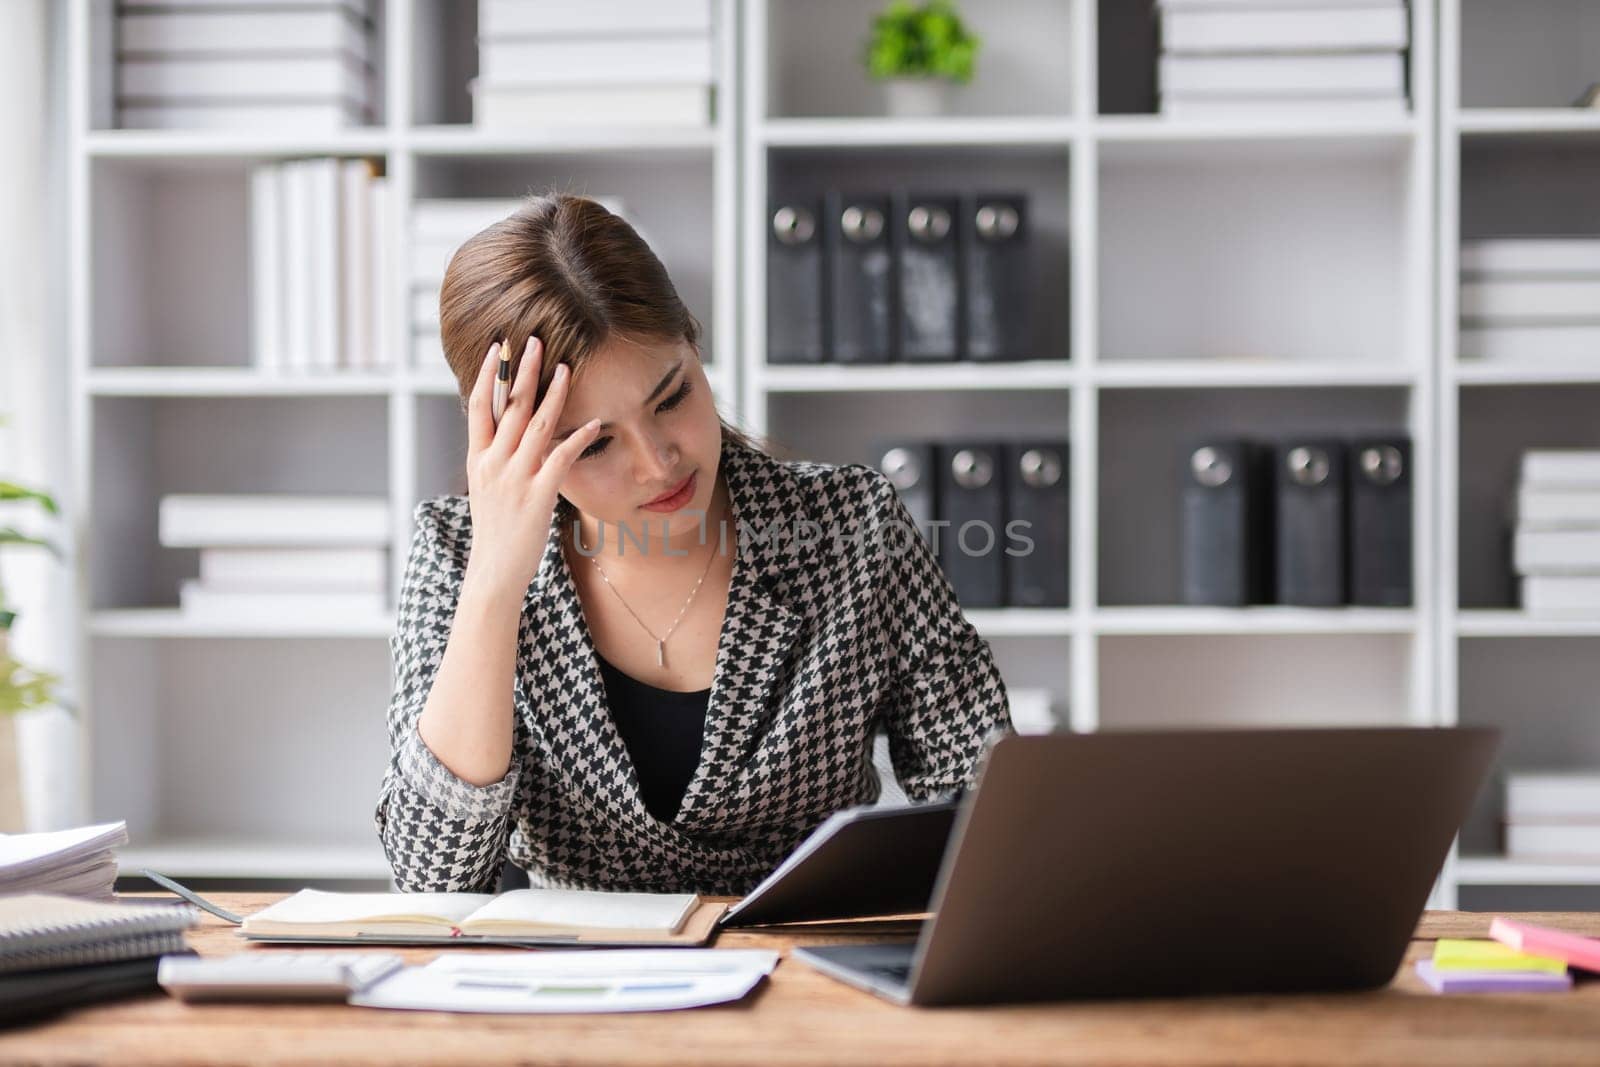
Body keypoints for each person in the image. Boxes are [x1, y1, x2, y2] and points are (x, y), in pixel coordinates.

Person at [375, 193, 1012, 894]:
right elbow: (434, 877)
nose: (658, 463)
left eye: (672, 398)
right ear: (510, 443)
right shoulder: (456, 552)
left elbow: (987, 799)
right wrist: (496, 582)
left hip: (806, 970)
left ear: (694, 345)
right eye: (594, 445)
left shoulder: (852, 523)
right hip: (572, 982)